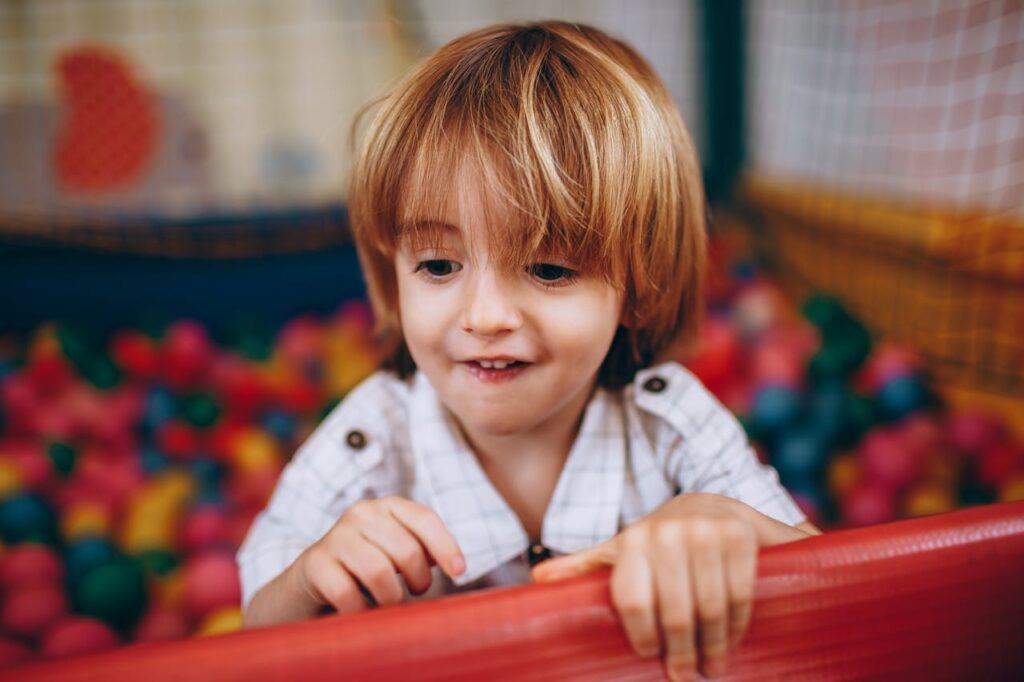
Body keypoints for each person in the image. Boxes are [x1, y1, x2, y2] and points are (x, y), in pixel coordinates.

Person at [238, 20, 820, 681]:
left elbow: (833, 595)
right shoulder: (370, 443)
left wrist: (726, 523)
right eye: (436, 265)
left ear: (636, 290)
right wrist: (312, 581)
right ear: (391, 275)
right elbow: (257, 626)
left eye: (549, 270)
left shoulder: (671, 423)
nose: (485, 317)